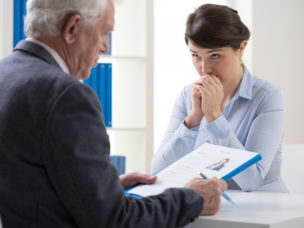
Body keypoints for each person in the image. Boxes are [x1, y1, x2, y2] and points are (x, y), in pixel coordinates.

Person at [0, 0, 228, 227]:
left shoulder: (5, 73)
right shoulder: (68, 96)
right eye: (105, 33)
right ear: (72, 28)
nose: (105, 47)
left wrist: (101, 187)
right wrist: (192, 198)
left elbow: (30, 182)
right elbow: (116, 221)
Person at [151, 3, 287, 193]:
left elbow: (250, 181)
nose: (204, 69)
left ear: (241, 48)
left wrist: (215, 117)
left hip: (264, 212)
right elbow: (157, 171)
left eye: (215, 55)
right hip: (210, 209)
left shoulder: (268, 97)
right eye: (196, 56)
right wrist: (193, 119)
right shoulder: (187, 95)